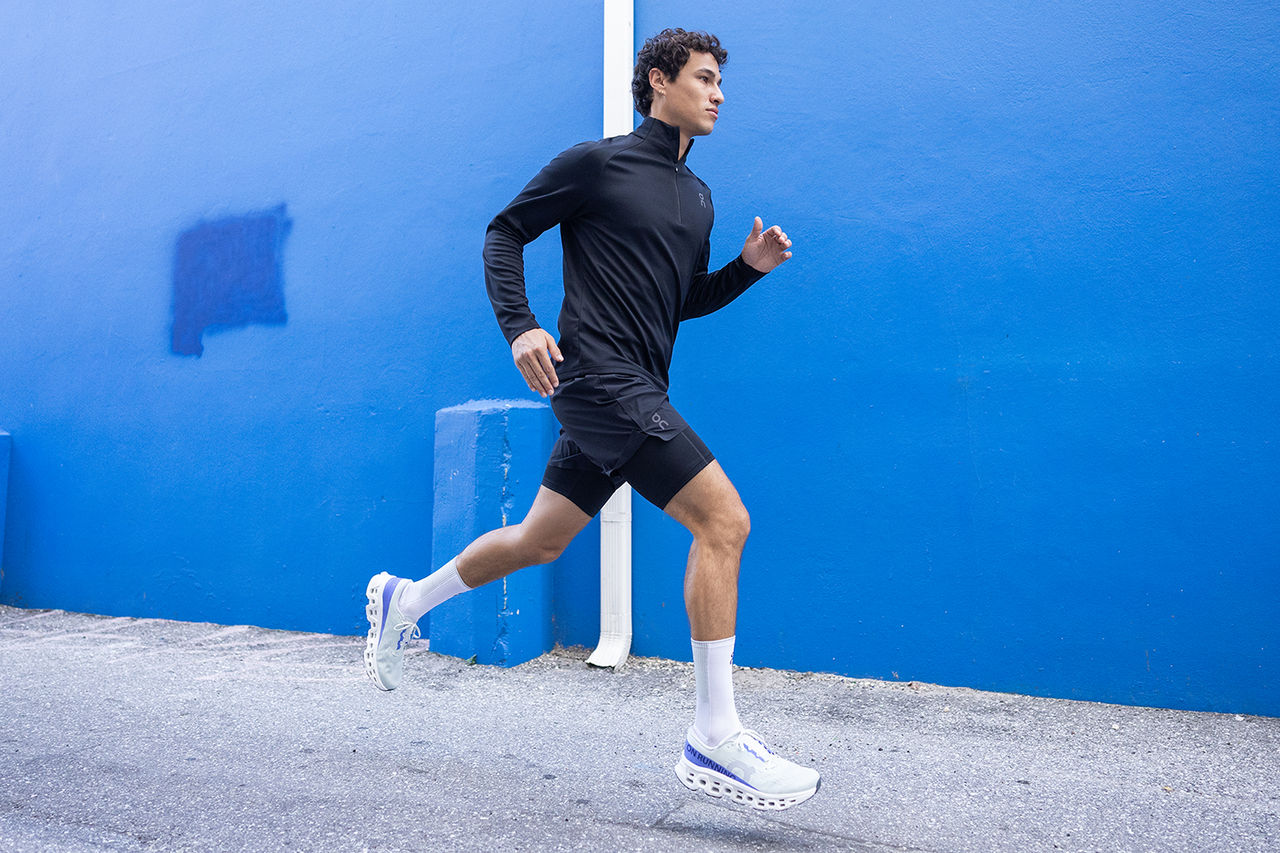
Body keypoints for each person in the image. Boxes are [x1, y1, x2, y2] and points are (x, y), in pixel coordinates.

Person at [363, 28, 820, 811]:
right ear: (658, 81)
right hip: (601, 382)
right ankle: (715, 736)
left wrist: (745, 272)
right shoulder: (598, 163)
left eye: (721, 83)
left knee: (538, 541)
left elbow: (679, 302)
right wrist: (521, 327)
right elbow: (503, 232)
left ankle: (403, 602)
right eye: (705, 79)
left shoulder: (697, 196)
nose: (718, 94)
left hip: (633, 385)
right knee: (725, 521)